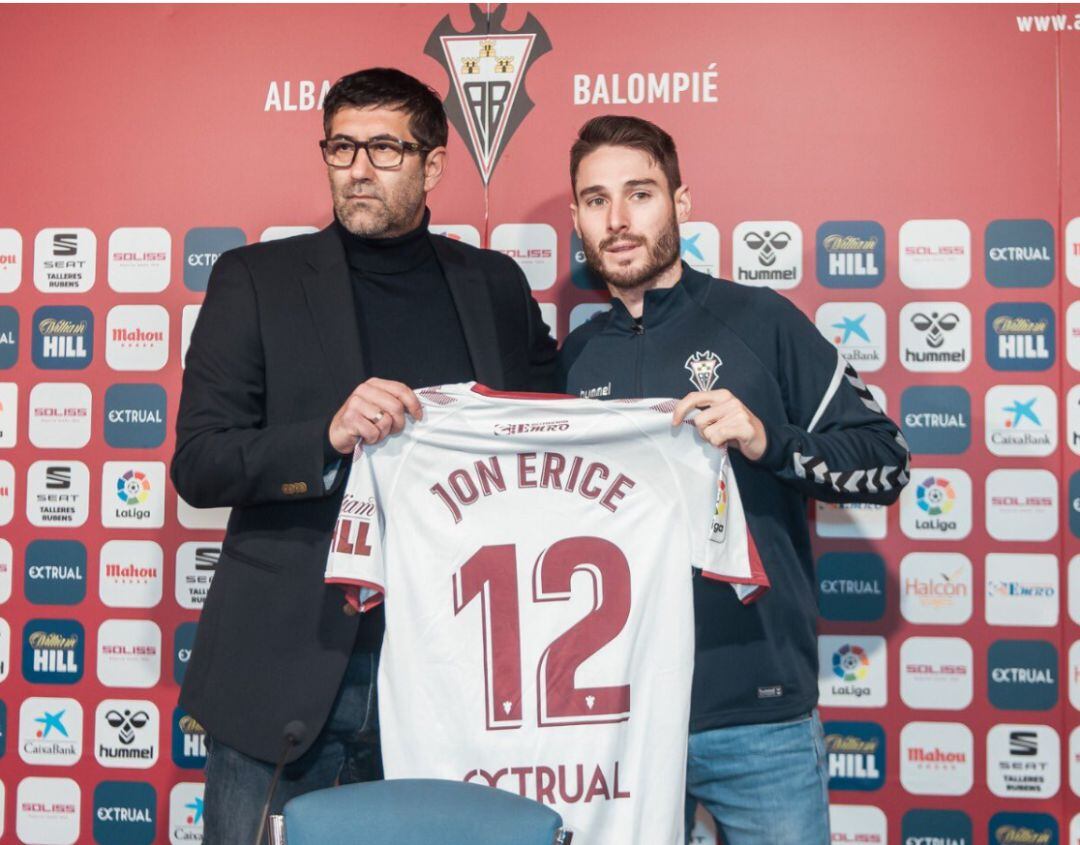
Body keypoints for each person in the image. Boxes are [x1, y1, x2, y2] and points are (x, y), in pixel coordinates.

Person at [171, 67, 557, 842]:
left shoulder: (494, 284)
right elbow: (201, 461)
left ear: (434, 164)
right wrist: (325, 436)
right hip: (289, 666)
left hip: (455, 668)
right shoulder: (256, 280)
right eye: (341, 145)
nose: (357, 167)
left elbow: (553, 431)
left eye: (384, 147)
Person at [558, 115, 910, 845]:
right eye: (596, 200)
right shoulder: (571, 360)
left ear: (682, 202)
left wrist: (766, 440)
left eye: (640, 193)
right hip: (616, 724)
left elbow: (887, 460)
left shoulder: (760, 321)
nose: (618, 221)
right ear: (576, 218)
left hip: (760, 719)